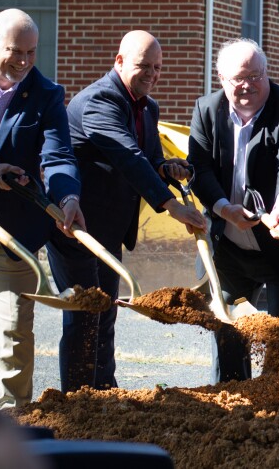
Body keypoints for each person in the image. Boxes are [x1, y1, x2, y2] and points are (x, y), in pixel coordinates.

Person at [46, 30, 206, 393]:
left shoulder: (148, 107)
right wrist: (171, 205)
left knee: (106, 313)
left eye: (157, 67)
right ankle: (76, 401)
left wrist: (166, 169)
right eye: (142, 66)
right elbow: (127, 158)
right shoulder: (99, 101)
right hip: (76, 226)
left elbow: (147, 159)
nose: (151, 73)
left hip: (111, 230)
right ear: (119, 62)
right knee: (85, 315)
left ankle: (104, 393)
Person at [188, 38, 279, 382]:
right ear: (221, 78)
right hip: (229, 245)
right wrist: (222, 208)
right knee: (229, 335)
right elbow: (199, 169)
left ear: (267, 75)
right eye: (239, 78)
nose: (248, 85)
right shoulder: (207, 109)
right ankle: (232, 405)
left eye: (257, 76)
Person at [0, 9, 84, 408]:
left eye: (30, 52)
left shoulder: (46, 94)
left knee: (14, 333)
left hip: (13, 231)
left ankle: (12, 420)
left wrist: (67, 197)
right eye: (13, 51)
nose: (23, 61)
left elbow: (57, 156)